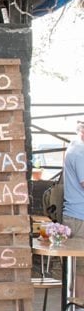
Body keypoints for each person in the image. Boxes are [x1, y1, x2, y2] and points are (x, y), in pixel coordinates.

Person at [63, 120, 84, 300]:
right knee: (81, 269)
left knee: (77, 267)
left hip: (75, 215)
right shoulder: (80, 153)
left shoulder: (75, 147)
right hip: (80, 217)